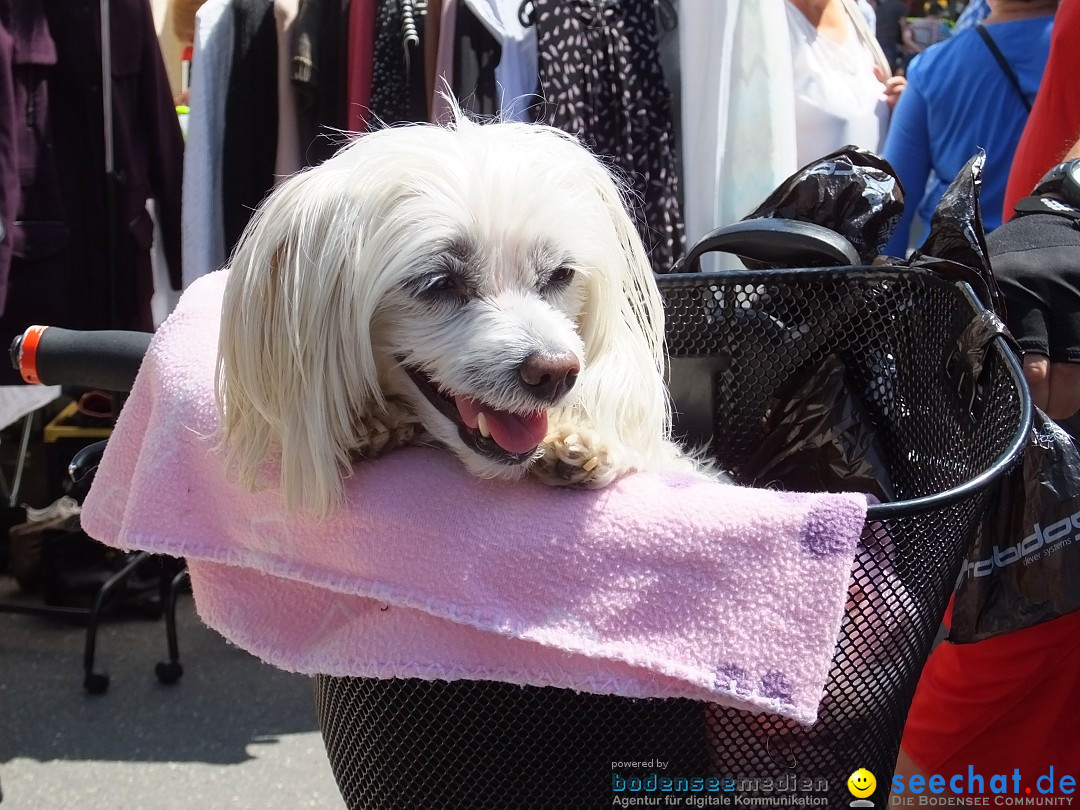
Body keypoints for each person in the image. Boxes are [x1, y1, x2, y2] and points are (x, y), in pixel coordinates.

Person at [881, 0, 1056, 257]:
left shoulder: (932, 68)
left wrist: (885, 288)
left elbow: (893, 206)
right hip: (1056, 270)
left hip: (953, 274)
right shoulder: (1066, 51)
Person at [875, 0, 910, 71]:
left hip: (877, 42)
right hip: (890, 45)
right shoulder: (900, 7)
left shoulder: (881, 5)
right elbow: (904, 29)